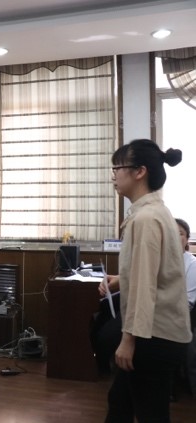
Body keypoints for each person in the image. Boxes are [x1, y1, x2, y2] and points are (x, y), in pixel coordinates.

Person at [103, 139, 192, 422]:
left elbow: (145, 286)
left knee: (150, 414)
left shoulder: (145, 219)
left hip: (153, 336)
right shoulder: (156, 211)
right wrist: (120, 279)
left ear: (139, 171)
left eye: (118, 168)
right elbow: (152, 270)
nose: (114, 175)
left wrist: (128, 339)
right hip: (159, 334)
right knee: (120, 402)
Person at [176, 218, 196, 397]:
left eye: (180, 234)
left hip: (181, 317)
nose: (175, 237)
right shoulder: (157, 259)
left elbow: (188, 302)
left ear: (187, 239)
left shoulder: (192, 264)